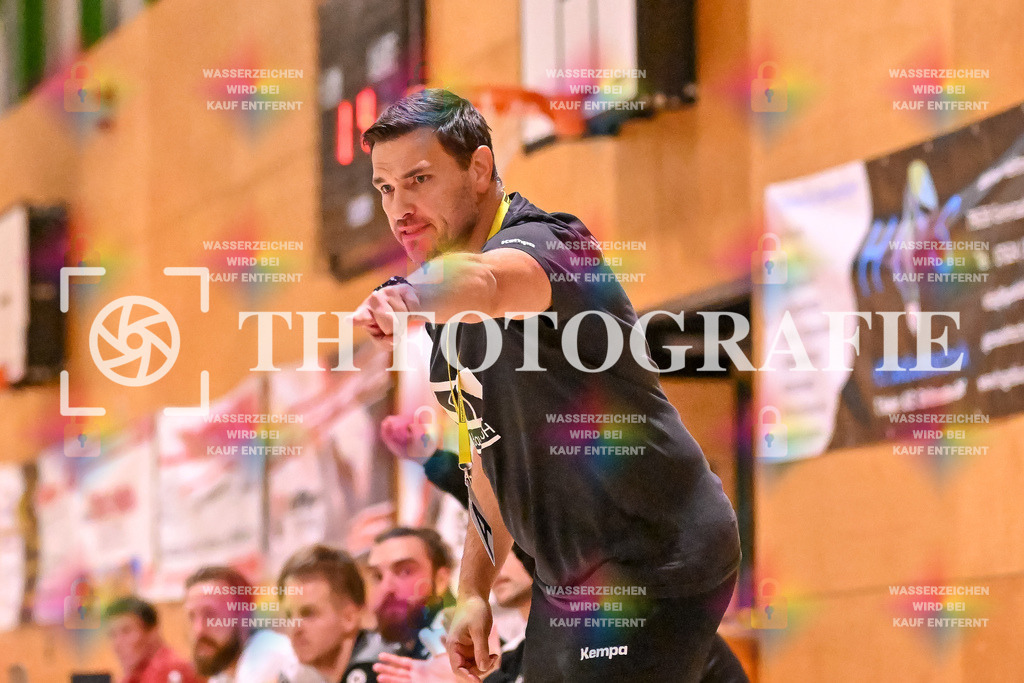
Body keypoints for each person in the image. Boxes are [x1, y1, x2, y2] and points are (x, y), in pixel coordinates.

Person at [354, 88, 741, 682]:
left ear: (478, 169)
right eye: (385, 188)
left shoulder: (546, 244)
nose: (399, 208)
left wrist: (408, 296)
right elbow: (493, 459)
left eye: (419, 180)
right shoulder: (446, 320)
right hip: (566, 580)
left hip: (655, 555)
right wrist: (473, 591)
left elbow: (487, 284)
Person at [183, 565, 319, 683]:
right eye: (191, 616)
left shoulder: (269, 656)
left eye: (210, 615)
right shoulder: (222, 676)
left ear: (244, 616)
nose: (198, 629)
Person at [278, 544, 384, 683]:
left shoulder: (386, 672)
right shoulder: (294, 678)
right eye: (288, 615)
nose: (295, 628)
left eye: (308, 614)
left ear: (349, 618)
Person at [365, 527, 456, 659]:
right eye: (377, 576)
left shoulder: (468, 648)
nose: (386, 588)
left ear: (440, 579)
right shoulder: (373, 655)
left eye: (405, 571)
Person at [103, 596, 199, 683]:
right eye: (112, 635)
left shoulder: (170, 671)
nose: (117, 644)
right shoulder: (135, 675)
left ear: (152, 632)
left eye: (126, 631)